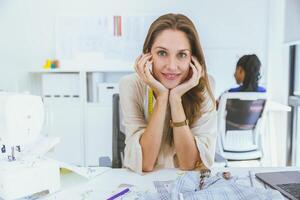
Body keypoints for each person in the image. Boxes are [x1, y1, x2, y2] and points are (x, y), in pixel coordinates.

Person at [119, 13, 217, 174]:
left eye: (182, 55)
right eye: (162, 53)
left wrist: (176, 98)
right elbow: (145, 164)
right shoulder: (130, 85)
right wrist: (162, 97)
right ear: (147, 55)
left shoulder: (205, 85)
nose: (172, 66)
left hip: (188, 186)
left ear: (193, 59)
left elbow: (189, 164)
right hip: (142, 184)